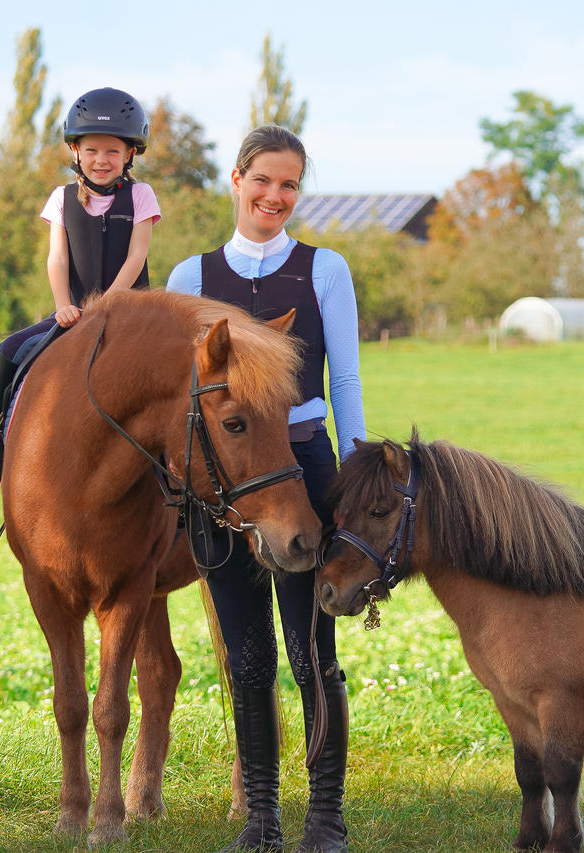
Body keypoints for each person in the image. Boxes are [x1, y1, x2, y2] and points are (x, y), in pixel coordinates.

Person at [166, 124, 365, 853]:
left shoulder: (324, 269)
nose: (275, 196)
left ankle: (326, 818)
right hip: (222, 478)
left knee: (311, 648)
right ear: (236, 180)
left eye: (289, 185)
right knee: (246, 654)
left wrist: (351, 468)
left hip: (303, 465)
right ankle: (261, 820)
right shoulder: (189, 277)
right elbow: (179, 391)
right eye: (264, 181)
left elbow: (343, 377)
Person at [0, 87, 160, 482]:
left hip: (132, 313)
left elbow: (137, 257)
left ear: (130, 154)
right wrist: (63, 305)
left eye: (112, 152)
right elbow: (58, 258)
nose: (101, 160)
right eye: (91, 151)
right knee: (9, 350)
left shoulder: (141, 195)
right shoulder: (61, 198)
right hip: (73, 312)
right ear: (75, 152)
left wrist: (108, 302)